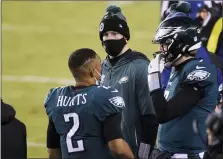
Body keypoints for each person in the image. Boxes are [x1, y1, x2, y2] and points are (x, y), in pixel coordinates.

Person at [148, 3, 218, 159]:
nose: (161, 50)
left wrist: (153, 77)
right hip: (171, 153)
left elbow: (163, 114)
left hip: (189, 155)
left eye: (164, 44)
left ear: (179, 43)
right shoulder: (177, 69)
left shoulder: (199, 71)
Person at [44, 48, 134, 159]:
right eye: (99, 66)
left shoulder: (55, 98)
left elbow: (53, 153)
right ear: (92, 71)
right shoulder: (104, 96)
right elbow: (118, 148)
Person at [99, 5, 158, 158]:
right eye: (105, 34)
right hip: (109, 152)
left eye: (114, 33)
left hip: (134, 151)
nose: (109, 38)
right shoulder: (102, 67)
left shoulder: (140, 66)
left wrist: (144, 155)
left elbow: (150, 117)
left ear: (125, 36)